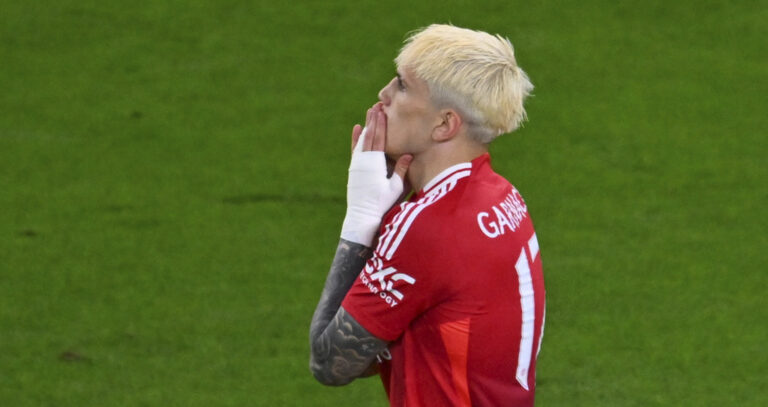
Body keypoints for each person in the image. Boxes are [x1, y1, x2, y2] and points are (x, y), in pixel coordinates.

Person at [309, 24, 545, 406]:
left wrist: (362, 218)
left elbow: (330, 362)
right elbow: (379, 341)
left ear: (444, 124)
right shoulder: (502, 196)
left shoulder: (430, 226)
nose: (384, 94)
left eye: (403, 86)